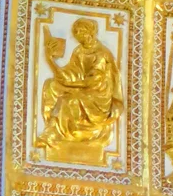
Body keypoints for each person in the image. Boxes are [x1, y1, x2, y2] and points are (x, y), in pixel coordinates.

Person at [38, 18, 123, 157]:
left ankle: (54, 134)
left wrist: (70, 85)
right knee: (51, 86)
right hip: (81, 87)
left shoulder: (101, 54)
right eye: (76, 33)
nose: (79, 35)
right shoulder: (79, 50)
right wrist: (50, 60)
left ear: (90, 32)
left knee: (69, 100)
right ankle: (52, 129)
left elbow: (93, 82)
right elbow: (72, 72)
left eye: (82, 32)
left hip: (98, 96)